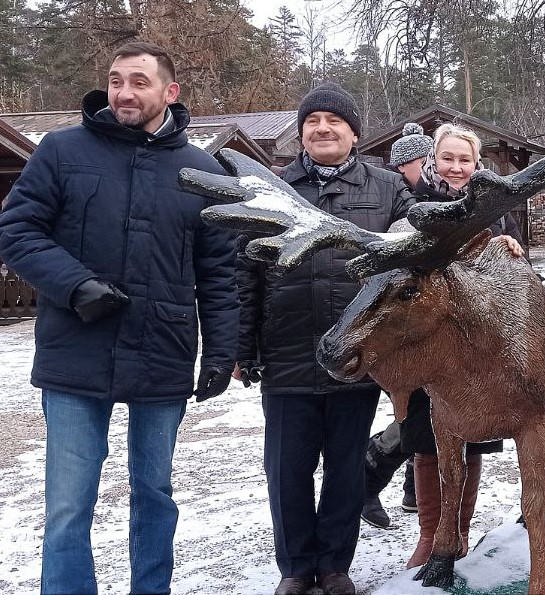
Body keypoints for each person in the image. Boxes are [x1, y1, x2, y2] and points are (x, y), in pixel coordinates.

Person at [0, 41, 238, 594]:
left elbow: (219, 272)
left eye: (138, 82)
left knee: (154, 493)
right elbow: (16, 232)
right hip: (75, 352)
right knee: (68, 501)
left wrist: (223, 350)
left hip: (162, 350)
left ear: (169, 92)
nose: (124, 93)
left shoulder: (200, 172)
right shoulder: (60, 152)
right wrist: (75, 284)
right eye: (115, 80)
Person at [234, 82, 416, 595]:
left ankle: (335, 564)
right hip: (286, 353)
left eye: (334, 120)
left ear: (354, 132)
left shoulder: (386, 189)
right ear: (300, 133)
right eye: (312, 120)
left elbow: (416, 246)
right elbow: (245, 273)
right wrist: (242, 349)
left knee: (345, 470)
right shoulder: (270, 189)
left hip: (356, 355)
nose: (323, 128)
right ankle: (295, 567)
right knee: (287, 471)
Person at [400, 122, 522, 570]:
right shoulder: (412, 205)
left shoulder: (494, 208)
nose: (456, 167)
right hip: (426, 345)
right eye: (447, 157)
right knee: (427, 440)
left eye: (464, 159)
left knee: (471, 442)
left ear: (476, 163)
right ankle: (431, 534)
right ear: (433, 158)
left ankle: (461, 530)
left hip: (475, 349)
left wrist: (509, 248)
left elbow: (505, 278)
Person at [359, 122, 434, 530]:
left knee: (427, 412)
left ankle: (408, 488)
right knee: (417, 414)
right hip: (404, 332)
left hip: (436, 329)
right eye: (421, 163)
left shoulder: (446, 197)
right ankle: (369, 474)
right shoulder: (400, 204)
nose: (425, 169)